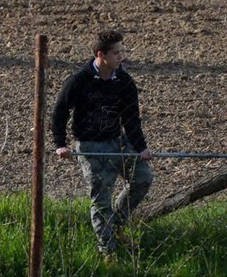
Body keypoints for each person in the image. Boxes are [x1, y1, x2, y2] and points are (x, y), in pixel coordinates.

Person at [52, 28, 153, 258]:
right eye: (117, 53)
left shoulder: (124, 82)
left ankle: (115, 225)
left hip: (117, 142)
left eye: (122, 51)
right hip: (90, 146)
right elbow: (59, 113)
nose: (121, 56)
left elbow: (131, 118)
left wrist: (140, 148)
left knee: (143, 178)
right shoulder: (79, 81)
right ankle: (108, 253)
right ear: (101, 54)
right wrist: (60, 144)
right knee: (102, 199)